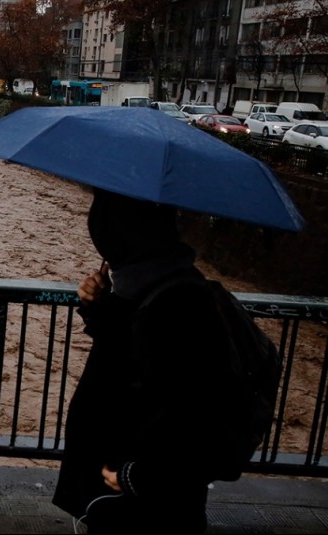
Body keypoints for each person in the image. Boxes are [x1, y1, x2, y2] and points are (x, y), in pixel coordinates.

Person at [52, 188, 244, 534]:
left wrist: (134, 476)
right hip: (126, 483)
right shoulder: (151, 284)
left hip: (144, 499)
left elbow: (191, 410)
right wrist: (100, 305)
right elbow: (127, 353)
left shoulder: (178, 305)